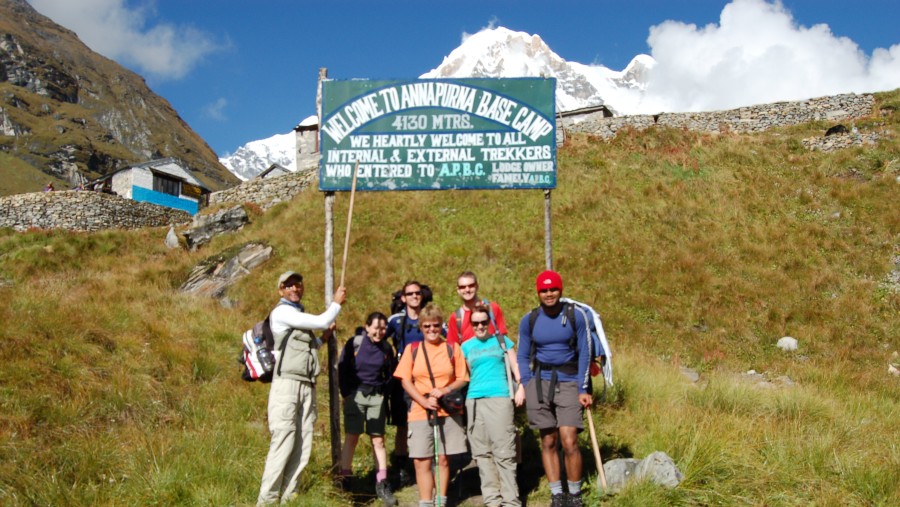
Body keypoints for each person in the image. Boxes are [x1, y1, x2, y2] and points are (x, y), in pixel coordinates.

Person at [256, 271, 347, 506]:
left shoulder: (298, 315)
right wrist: (335, 304)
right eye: (288, 286)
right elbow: (320, 321)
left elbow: (306, 346)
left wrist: (323, 339)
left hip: (307, 384)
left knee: (303, 441)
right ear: (281, 291)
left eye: (298, 285)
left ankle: (289, 497)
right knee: (284, 440)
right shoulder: (282, 312)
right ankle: (267, 500)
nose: (295, 289)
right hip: (286, 384)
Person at [516, 270, 591, 507]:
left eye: (553, 289)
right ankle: (557, 494)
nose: (549, 294)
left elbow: (585, 352)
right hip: (539, 383)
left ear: (561, 290)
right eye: (544, 290)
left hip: (569, 381)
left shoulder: (575, 316)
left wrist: (583, 387)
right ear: (538, 292)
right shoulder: (530, 319)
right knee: (548, 441)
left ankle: (575, 495)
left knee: (569, 440)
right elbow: (522, 354)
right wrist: (527, 384)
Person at [393, 304, 469, 507]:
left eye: (435, 325)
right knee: (421, 460)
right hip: (420, 410)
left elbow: (462, 377)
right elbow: (405, 380)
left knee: (443, 459)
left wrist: (445, 390)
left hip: (447, 410)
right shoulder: (413, 350)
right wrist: (423, 400)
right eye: (427, 326)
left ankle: (441, 500)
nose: (431, 330)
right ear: (421, 327)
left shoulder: (452, 348)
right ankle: (425, 502)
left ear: (440, 325)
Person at [460, 303, 523, 507]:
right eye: (475, 323)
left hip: (500, 398)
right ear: (471, 324)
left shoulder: (502, 342)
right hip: (475, 401)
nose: (480, 326)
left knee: (504, 452)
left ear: (490, 323)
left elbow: (516, 367)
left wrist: (521, 387)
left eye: (483, 322)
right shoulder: (466, 346)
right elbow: (463, 375)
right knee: (482, 453)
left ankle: (511, 500)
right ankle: (492, 500)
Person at [337, 312, 398, 507]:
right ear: (367, 327)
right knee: (352, 437)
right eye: (376, 328)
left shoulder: (387, 348)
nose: (379, 332)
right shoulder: (355, 343)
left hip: (376, 397)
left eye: (382, 328)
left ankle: (381, 483)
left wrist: (383, 392)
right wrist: (347, 394)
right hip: (356, 395)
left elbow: (391, 373)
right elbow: (343, 368)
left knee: (378, 439)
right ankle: (345, 481)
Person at [384, 280, 427, 485]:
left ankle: (427, 461)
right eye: (410, 294)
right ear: (403, 298)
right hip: (403, 378)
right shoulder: (395, 321)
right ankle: (402, 468)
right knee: (402, 424)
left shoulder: (429, 318)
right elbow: (380, 339)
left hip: (426, 378)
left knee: (427, 419)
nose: (414, 296)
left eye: (417, 293)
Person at [446, 271, 509, 346]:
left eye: (471, 286)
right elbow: (453, 348)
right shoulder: (456, 318)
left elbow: (504, 338)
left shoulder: (492, 308)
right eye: (462, 287)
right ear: (458, 290)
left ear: (477, 286)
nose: (467, 290)